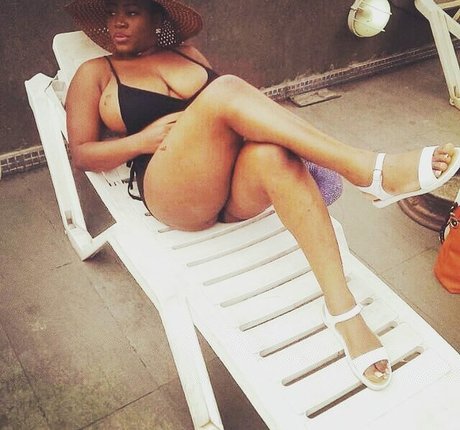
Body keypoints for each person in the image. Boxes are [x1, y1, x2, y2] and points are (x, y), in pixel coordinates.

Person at [65, 0, 460, 391]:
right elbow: (81, 154)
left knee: (272, 155)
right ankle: (367, 170)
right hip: (172, 189)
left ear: (157, 18)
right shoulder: (95, 72)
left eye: (131, 12)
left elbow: (230, 119)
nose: (118, 22)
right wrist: (142, 140)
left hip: (231, 182)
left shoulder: (187, 54)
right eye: (112, 13)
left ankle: (343, 310)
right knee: (225, 89)